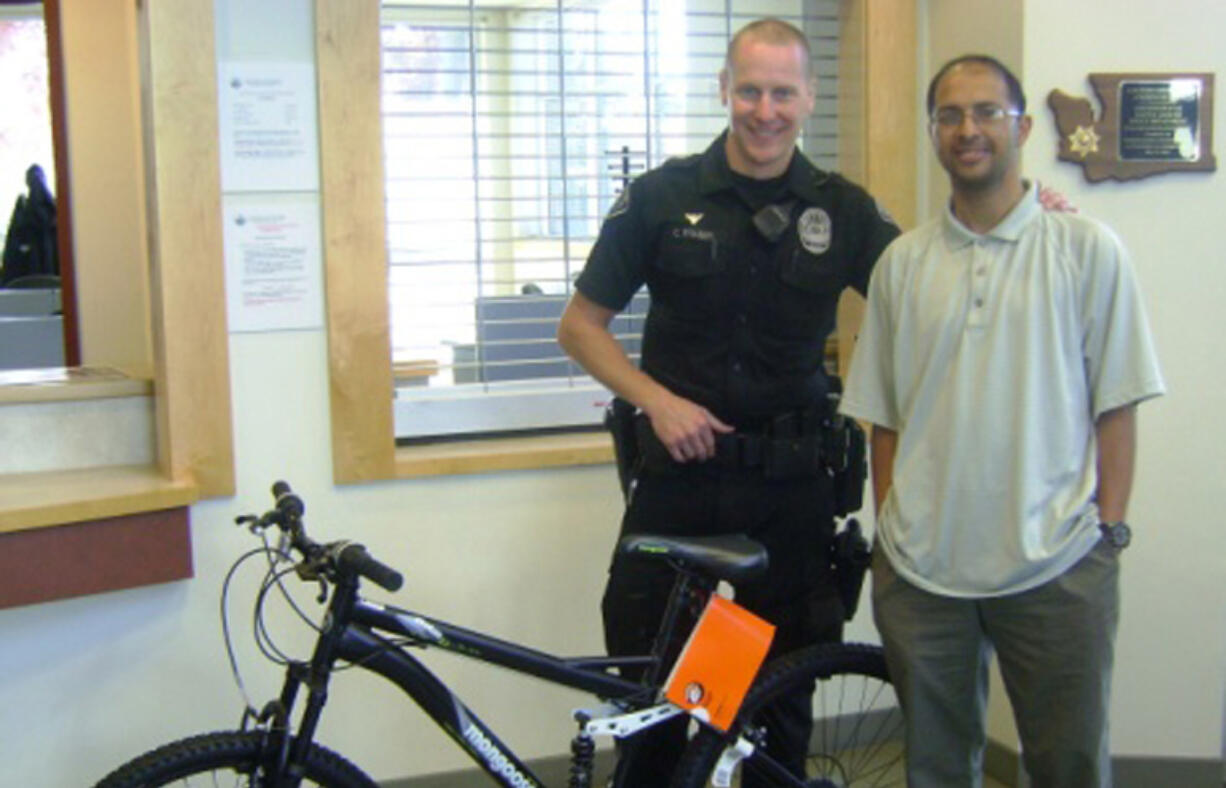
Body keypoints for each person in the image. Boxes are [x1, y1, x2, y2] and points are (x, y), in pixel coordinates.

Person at [557, 18, 899, 786]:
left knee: (778, 716)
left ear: (809, 97)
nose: (765, 110)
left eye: (783, 92)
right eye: (749, 90)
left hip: (793, 493)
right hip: (681, 485)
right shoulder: (660, 196)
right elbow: (580, 328)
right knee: (651, 704)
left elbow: (933, 292)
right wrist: (657, 401)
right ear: (724, 90)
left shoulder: (842, 211)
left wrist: (1027, 221)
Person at [839, 54, 1165, 787]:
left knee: (1068, 765)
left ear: (1020, 126)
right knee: (935, 768)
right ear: (934, 132)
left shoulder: (1087, 251)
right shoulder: (901, 264)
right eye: (950, 115)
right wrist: (893, 527)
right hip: (923, 576)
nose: (968, 129)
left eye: (987, 111)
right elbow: (884, 417)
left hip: (1056, 567)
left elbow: (1119, 403)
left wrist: (1107, 533)